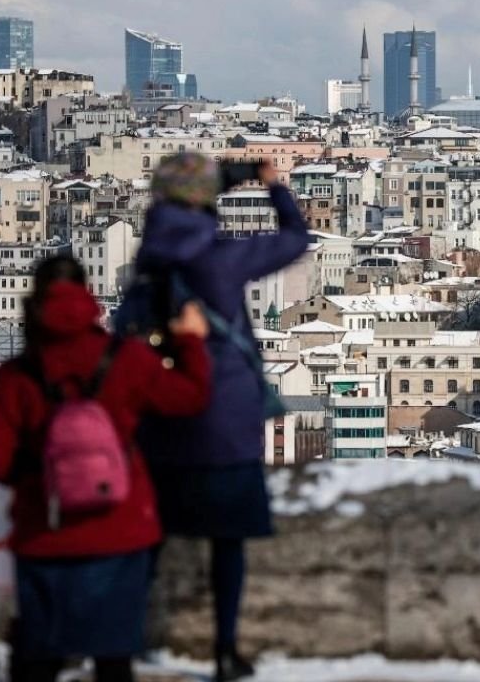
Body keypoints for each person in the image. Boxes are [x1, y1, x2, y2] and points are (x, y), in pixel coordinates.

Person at [0, 256, 212, 682]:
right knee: (113, 656)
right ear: (88, 295)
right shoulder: (127, 359)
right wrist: (190, 342)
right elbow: (190, 399)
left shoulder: (16, 376)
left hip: (43, 533)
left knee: (37, 659)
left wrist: (42, 479)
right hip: (119, 528)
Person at [135, 153, 308, 682]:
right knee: (227, 544)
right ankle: (225, 651)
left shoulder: (148, 259)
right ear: (208, 197)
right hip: (226, 420)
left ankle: (128, 640)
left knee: (148, 541)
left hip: (163, 420)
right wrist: (270, 186)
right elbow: (296, 238)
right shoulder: (220, 257)